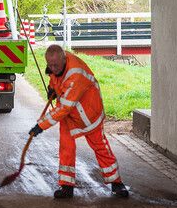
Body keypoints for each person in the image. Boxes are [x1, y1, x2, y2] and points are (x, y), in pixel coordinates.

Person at [28, 44, 129, 198]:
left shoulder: (76, 74)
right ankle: (66, 187)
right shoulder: (59, 64)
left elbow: (64, 108)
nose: (52, 68)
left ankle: (117, 183)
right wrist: (51, 87)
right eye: (49, 65)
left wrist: (40, 125)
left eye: (55, 65)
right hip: (69, 116)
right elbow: (57, 79)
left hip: (88, 115)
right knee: (66, 148)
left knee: (100, 147)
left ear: (64, 59)